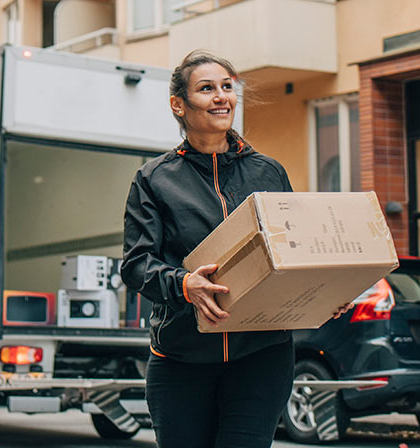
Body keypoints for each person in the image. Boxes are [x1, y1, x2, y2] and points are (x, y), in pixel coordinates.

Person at [121, 51, 296, 448]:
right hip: (182, 357)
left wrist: (320, 290)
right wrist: (184, 284)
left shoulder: (268, 171)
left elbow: (292, 247)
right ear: (178, 105)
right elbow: (136, 265)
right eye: (206, 89)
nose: (222, 97)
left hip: (262, 354)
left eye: (226, 88)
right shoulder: (154, 179)